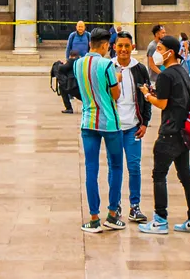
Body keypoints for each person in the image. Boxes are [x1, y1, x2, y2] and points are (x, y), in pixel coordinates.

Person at [140, 35, 190, 234]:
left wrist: (148, 96)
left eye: (159, 48)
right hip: (183, 131)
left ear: (170, 52)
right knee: (186, 175)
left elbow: (163, 104)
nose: (156, 53)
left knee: (159, 175)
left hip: (169, 132)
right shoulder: (183, 72)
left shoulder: (166, 75)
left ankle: (160, 219)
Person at [73, 26, 125, 233]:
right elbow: (115, 95)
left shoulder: (78, 64)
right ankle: (112, 214)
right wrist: (118, 80)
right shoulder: (106, 65)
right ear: (105, 45)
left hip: (88, 122)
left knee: (91, 169)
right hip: (110, 123)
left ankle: (94, 217)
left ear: (89, 43)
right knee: (116, 167)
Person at [113, 31, 153, 223]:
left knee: (134, 166)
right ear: (114, 47)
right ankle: (115, 205)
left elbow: (147, 98)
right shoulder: (108, 68)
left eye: (127, 46)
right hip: (114, 127)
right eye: (120, 46)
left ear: (132, 47)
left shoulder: (140, 69)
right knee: (115, 168)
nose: (123, 50)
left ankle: (134, 206)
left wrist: (145, 122)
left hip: (133, 127)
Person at [61, 20, 90, 113]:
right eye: (79, 26)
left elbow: (90, 47)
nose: (80, 28)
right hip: (73, 61)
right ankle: (71, 94)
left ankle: (83, 95)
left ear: (85, 27)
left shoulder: (88, 35)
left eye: (82, 26)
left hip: (84, 60)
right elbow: (68, 47)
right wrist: (67, 59)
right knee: (72, 77)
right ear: (76, 27)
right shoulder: (72, 35)